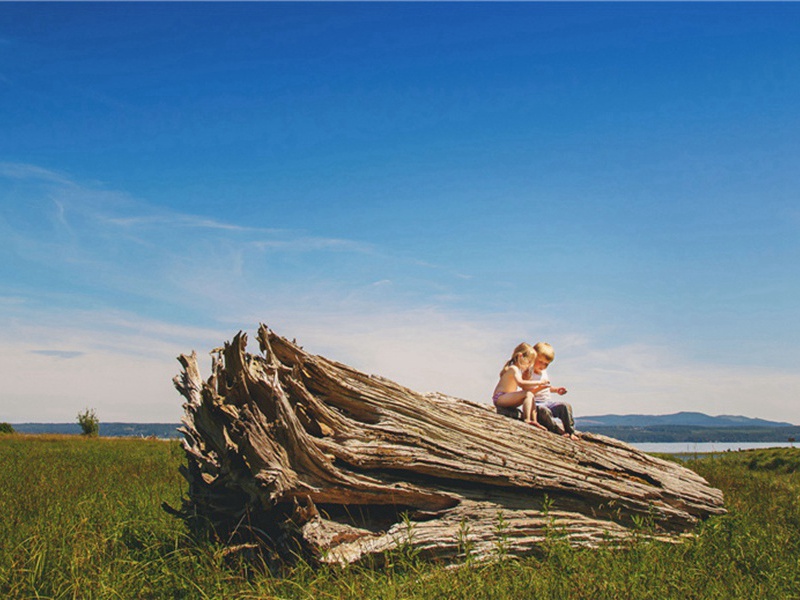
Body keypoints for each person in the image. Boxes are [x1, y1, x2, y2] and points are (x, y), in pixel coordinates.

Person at [522, 342, 580, 440]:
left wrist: (556, 390)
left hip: (547, 402)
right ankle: (556, 430)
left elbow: (547, 387)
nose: (543, 366)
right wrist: (539, 387)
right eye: (540, 362)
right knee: (544, 411)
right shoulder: (528, 372)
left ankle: (570, 431)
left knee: (565, 406)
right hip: (535, 405)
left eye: (546, 364)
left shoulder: (543, 372)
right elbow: (526, 392)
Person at [492, 342, 550, 429]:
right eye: (529, 362)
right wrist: (539, 382)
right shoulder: (513, 369)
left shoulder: (518, 370)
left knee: (530, 395)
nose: (529, 365)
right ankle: (527, 419)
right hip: (500, 398)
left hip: (507, 399)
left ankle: (534, 420)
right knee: (528, 393)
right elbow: (521, 383)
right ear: (520, 356)